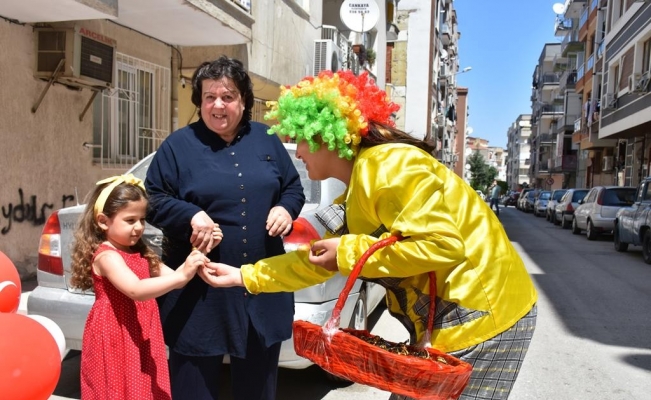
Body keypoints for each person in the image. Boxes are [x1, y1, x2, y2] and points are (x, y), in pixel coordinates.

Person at [199, 70, 538, 400]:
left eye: (300, 139)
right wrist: (245, 276)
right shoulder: (358, 187)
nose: (298, 153)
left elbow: (442, 245)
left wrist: (347, 250)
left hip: (487, 316)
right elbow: (316, 261)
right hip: (451, 317)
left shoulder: (389, 166)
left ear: (325, 135)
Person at [144, 56, 306, 400]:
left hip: (259, 288)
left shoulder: (266, 139)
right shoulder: (178, 146)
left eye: (228, 96)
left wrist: (285, 208)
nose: (218, 105)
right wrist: (190, 214)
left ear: (243, 101)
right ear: (199, 101)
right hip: (199, 296)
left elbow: (293, 187)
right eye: (209, 97)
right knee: (193, 391)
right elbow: (153, 198)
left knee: (258, 391)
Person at [69, 174, 213, 399]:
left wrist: (200, 253)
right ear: (103, 221)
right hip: (115, 333)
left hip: (140, 330)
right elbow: (135, 289)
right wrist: (182, 275)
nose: (138, 227)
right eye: (130, 220)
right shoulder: (107, 256)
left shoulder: (139, 251)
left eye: (142, 219)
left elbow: (174, 277)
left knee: (143, 387)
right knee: (118, 387)